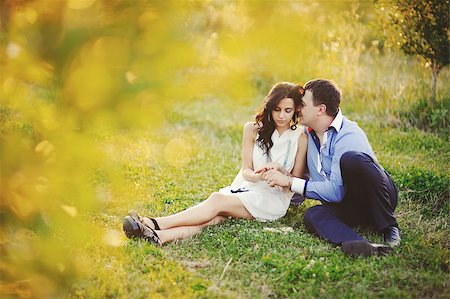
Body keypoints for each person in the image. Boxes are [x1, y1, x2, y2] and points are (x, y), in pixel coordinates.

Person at [122, 82, 308, 245]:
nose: (281, 115)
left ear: (295, 110)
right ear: (270, 107)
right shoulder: (252, 129)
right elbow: (245, 171)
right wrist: (257, 175)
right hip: (246, 187)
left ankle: (154, 222)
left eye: (288, 110)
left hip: (272, 200)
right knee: (215, 217)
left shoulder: (300, 137)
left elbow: (295, 183)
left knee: (216, 201)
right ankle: (160, 236)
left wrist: (280, 171)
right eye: (277, 109)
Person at [263, 79, 401, 257]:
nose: (298, 109)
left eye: (303, 105)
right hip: (349, 205)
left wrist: (289, 182)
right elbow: (301, 177)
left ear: (320, 109)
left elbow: (335, 191)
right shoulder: (306, 136)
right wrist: (282, 177)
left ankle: (389, 227)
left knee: (352, 160)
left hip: (377, 198)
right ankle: (361, 245)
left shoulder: (349, 134)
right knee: (313, 214)